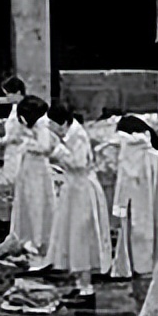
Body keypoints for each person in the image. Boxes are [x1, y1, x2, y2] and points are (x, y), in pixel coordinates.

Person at [45, 104, 112, 304]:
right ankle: (79, 285)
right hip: (73, 188)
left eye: (52, 124)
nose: (50, 128)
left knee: (81, 237)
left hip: (83, 191)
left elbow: (79, 163)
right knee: (71, 237)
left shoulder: (78, 136)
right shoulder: (70, 135)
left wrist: (57, 151)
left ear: (63, 123)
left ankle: (86, 288)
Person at [110, 116, 158, 304]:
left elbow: (121, 193)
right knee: (152, 257)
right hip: (154, 215)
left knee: (139, 259)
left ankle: (145, 302)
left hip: (136, 217)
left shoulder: (129, 158)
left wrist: (119, 215)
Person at [0, 96, 56, 260]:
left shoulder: (42, 126)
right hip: (27, 166)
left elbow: (45, 147)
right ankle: (24, 235)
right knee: (25, 201)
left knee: (37, 201)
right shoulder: (29, 124)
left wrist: (26, 143)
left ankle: (38, 238)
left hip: (38, 168)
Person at [0, 76, 28, 183]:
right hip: (12, 152)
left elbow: (18, 135)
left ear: (18, 92)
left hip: (20, 152)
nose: (7, 97)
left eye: (8, 94)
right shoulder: (15, 108)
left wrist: (2, 141)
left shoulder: (25, 110)